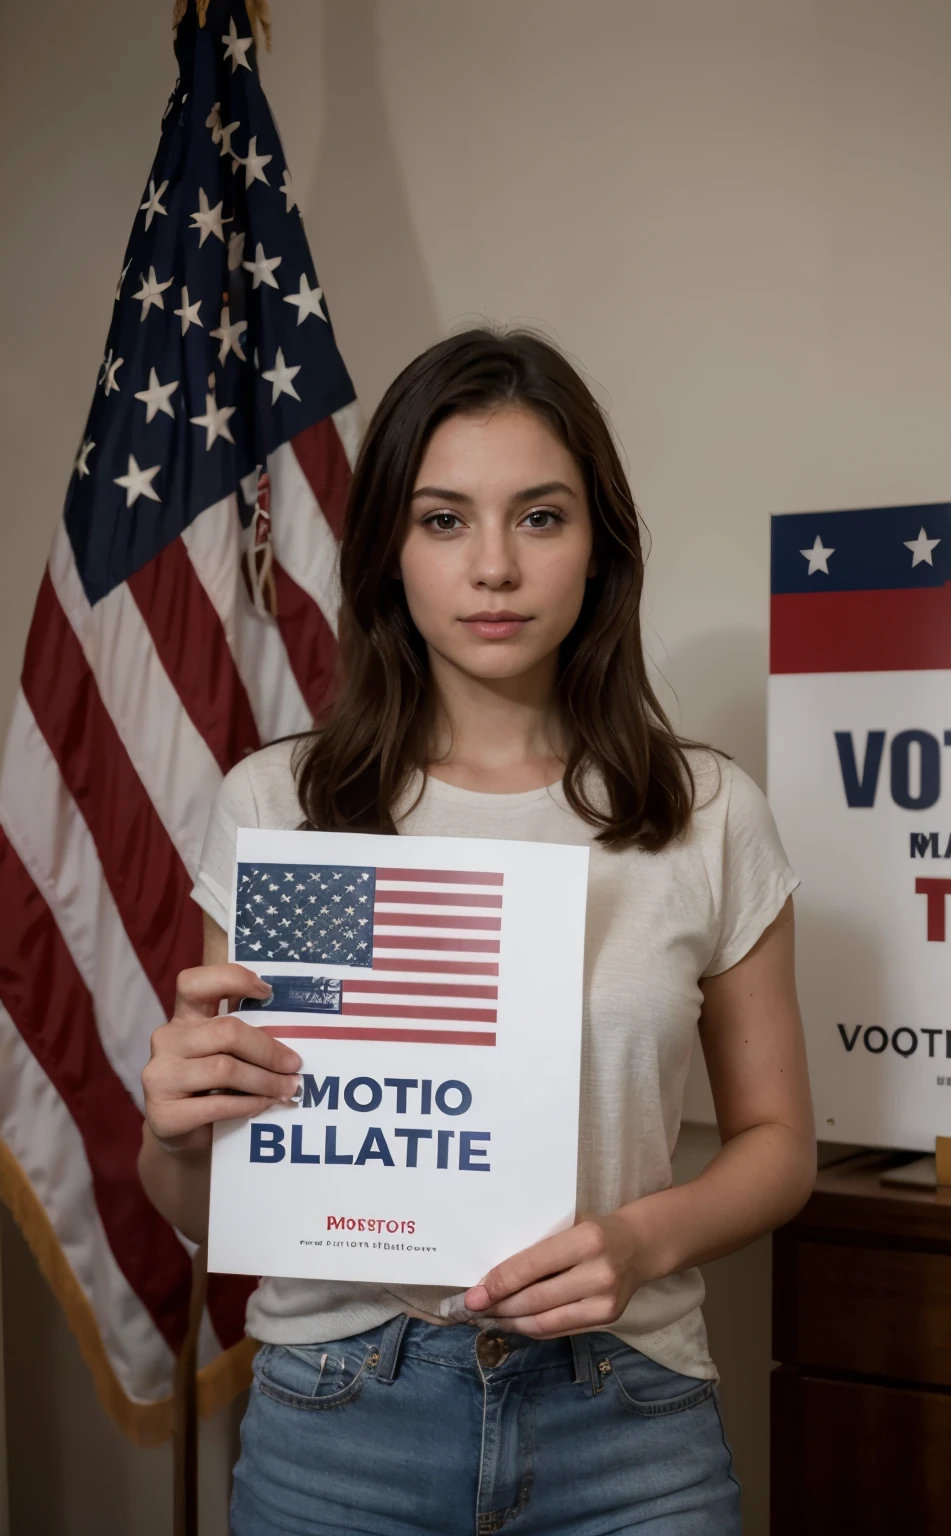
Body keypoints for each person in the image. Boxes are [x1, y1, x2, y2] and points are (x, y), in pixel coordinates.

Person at [139, 327, 816, 1536]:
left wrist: (636, 1238)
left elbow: (777, 1144)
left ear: (599, 545)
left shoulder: (706, 810)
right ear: (388, 551)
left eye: (540, 517)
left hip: (629, 1416)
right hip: (339, 1417)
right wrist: (177, 1122)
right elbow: (197, 1194)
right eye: (445, 519)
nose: (492, 566)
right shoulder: (284, 807)